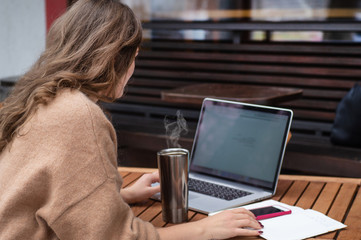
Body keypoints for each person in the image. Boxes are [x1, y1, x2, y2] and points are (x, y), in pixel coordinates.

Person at [0, 0, 263, 239]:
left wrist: (119, 196)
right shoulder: (78, 115)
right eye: (134, 57)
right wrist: (206, 228)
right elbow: (116, 237)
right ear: (115, 58)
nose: (133, 69)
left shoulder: (41, 99)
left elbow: (35, 195)